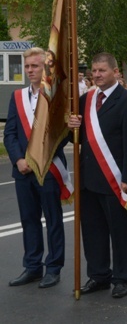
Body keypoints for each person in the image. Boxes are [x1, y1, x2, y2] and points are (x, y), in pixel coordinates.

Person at [67, 52, 127, 299]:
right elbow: (77, 139)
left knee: (119, 232)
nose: (97, 75)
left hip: (115, 178)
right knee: (92, 230)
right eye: (94, 71)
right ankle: (99, 275)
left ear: (116, 72)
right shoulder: (85, 99)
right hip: (88, 177)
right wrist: (72, 128)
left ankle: (121, 278)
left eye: (102, 71)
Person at [4, 47, 67, 289]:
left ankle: (53, 267)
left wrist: (38, 159)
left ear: (45, 68)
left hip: (48, 169)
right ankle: (32, 267)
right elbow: (10, 133)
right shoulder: (17, 97)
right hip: (22, 171)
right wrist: (19, 160)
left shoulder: (57, 97)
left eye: (35, 66)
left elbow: (62, 135)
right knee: (29, 220)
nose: (30, 70)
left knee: (53, 220)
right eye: (27, 66)